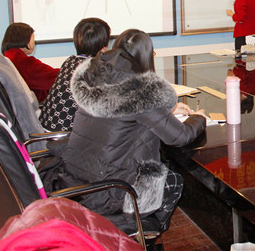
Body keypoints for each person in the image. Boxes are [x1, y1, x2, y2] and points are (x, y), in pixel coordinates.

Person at [44, 29, 206, 230]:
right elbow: (181, 136)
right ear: (146, 56)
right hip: (108, 193)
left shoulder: (95, 78)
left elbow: (121, 119)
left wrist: (166, 111)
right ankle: (138, 234)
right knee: (174, 181)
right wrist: (199, 118)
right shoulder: (140, 92)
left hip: (74, 181)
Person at [39, 18, 111, 131]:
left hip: (46, 128)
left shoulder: (71, 60)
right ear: (104, 46)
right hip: (64, 136)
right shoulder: (93, 69)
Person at [1, 22, 59, 103]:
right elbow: (54, 77)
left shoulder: (8, 58)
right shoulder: (22, 62)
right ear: (25, 39)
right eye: (33, 38)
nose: (34, 42)